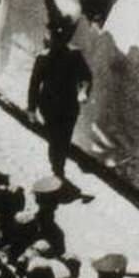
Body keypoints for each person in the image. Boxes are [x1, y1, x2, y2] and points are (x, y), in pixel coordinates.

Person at [27, 16, 92, 191]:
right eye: (53, 37)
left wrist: (83, 91)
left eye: (60, 38)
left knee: (64, 139)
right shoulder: (43, 58)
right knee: (56, 139)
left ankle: (58, 168)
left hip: (69, 105)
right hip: (49, 107)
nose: (56, 42)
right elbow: (34, 84)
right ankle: (57, 170)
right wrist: (31, 109)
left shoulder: (74, 55)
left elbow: (86, 76)